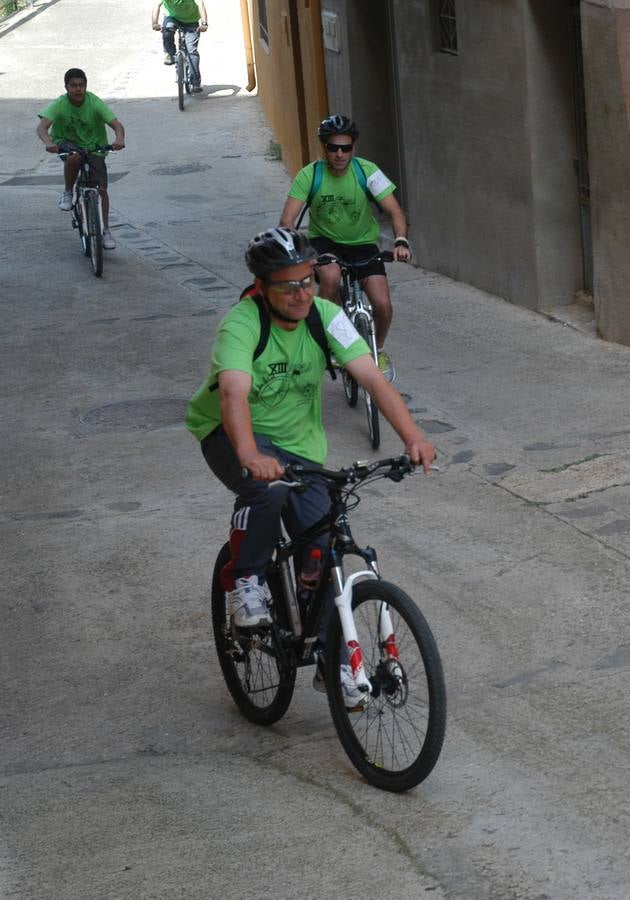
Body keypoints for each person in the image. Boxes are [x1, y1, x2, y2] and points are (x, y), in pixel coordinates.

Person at [186, 227, 435, 705]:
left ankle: (331, 658)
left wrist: (414, 437)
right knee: (269, 488)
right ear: (262, 287)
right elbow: (234, 394)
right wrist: (249, 456)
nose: (302, 293)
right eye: (288, 285)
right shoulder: (242, 325)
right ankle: (246, 582)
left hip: (300, 446)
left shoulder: (325, 316)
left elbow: (371, 376)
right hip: (230, 434)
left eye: (308, 281)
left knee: (322, 547)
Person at [279, 115, 411, 380]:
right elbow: (287, 221)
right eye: (333, 148)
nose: (339, 154)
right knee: (330, 277)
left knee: (383, 305)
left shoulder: (367, 171)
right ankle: (327, 336)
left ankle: (379, 349)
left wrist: (400, 240)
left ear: (354, 148)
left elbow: (394, 209)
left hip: (362, 243)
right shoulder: (311, 175)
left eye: (345, 148)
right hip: (324, 243)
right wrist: (302, 254)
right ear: (324, 148)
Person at [36, 68, 126, 249]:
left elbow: (116, 124)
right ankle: (68, 192)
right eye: (73, 86)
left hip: (94, 146)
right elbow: (42, 127)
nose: (78, 89)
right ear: (66, 87)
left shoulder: (94, 102)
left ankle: (105, 230)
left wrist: (119, 139)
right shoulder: (60, 104)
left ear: (86, 87)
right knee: (74, 157)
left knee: (101, 189)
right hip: (67, 142)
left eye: (81, 86)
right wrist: (48, 143)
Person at [152, 0, 209, 94]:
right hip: (172, 18)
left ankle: (195, 83)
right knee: (167, 30)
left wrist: (204, 23)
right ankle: (170, 54)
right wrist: (154, 23)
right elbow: (156, 5)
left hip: (191, 21)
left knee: (192, 51)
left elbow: (201, 5)